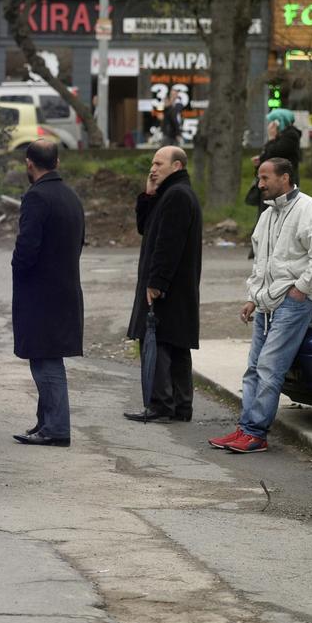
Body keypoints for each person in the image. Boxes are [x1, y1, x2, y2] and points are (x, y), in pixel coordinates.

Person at [210, 158, 312, 453]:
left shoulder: (308, 209)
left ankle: (255, 433)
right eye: (258, 178)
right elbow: (262, 263)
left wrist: (300, 289)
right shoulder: (268, 214)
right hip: (267, 303)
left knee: (269, 367)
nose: (260, 183)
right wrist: (253, 297)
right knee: (254, 367)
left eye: (265, 177)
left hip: (294, 303)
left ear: (285, 178)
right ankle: (245, 429)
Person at [11, 140, 86, 447]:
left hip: (41, 295)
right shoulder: (70, 195)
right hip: (65, 289)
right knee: (46, 356)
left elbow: (27, 247)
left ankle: (56, 428)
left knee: (45, 361)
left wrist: (17, 266)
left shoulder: (37, 197)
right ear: (56, 161)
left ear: (30, 163)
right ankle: (45, 423)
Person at [124, 147, 203, 424]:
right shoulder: (170, 193)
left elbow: (168, 243)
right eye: (152, 163)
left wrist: (157, 282)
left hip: (169, 285)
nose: (152, 169)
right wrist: (148, 194)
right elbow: (146, 227)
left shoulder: (178, 196)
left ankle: (161, 404)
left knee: (158, 342)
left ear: (177, 166)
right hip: (177, 286)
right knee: (175, 343)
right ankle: (181, 406)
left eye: (159, 164)